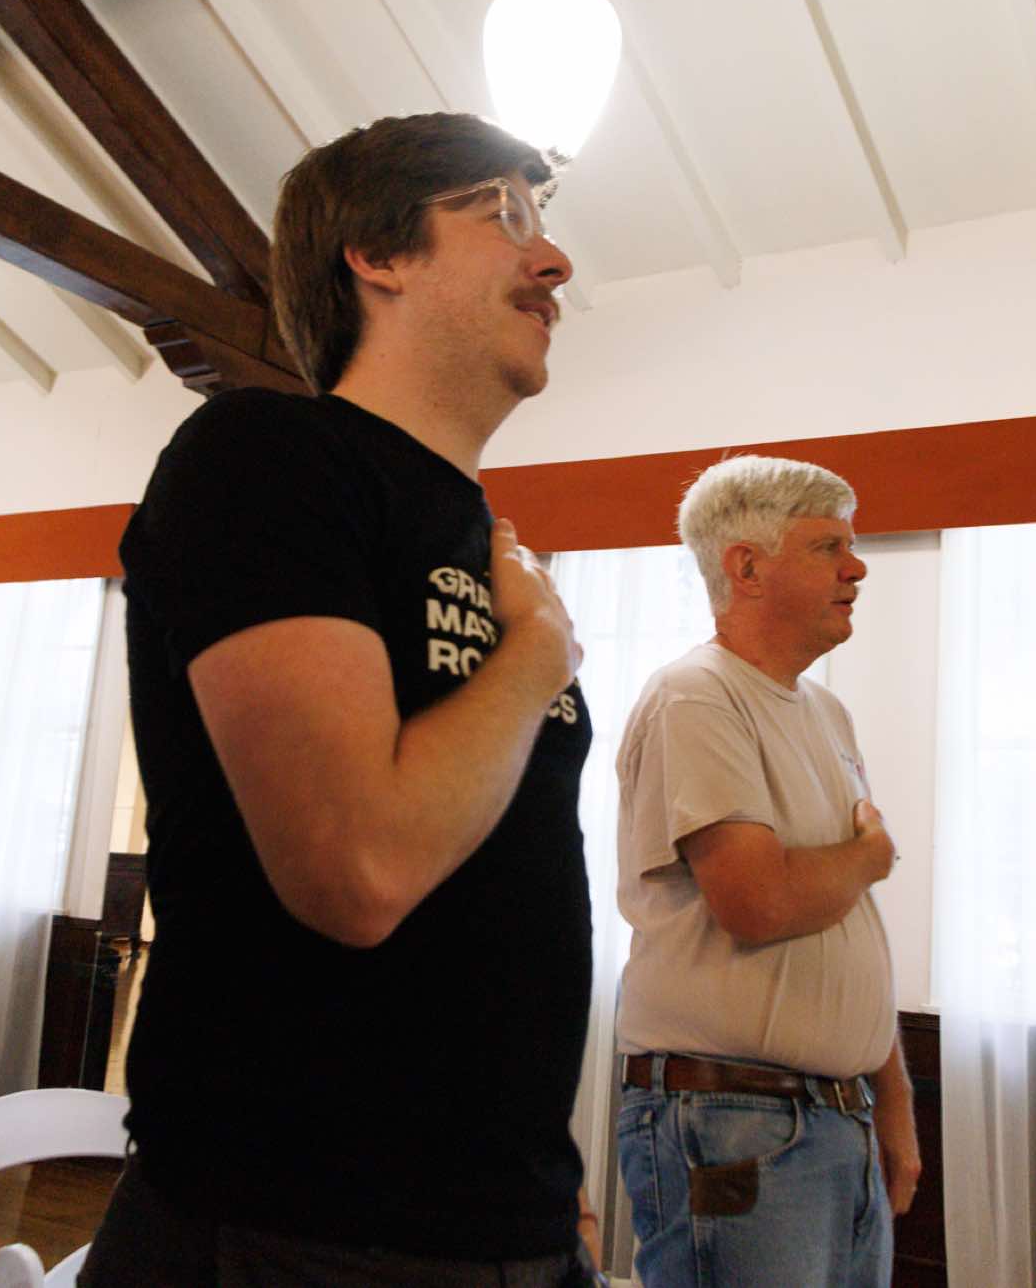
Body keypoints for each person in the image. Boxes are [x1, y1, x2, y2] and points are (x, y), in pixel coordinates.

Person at [89, 112, 598, 1286]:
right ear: (377, 254)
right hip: (298, 1231)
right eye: (501, 213)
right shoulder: (264, 456)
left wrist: (539, 1189)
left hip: (507, 1227)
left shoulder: (485, 542)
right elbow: (357, 868)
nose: (553, 259)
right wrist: (536, 657)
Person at [612, 455, 921, 1287]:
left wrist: (890, 1101)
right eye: (829, 547)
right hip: (735, 1117)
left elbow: (847, 924)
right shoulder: (697, 695)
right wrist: (869, 856)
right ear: (746, 567)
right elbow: (759, 900)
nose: (857, 568)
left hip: (831, 1116)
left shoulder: (827, 712)